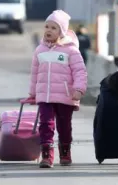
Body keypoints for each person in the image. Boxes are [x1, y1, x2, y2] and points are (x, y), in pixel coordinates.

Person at [29, 10, 87, 168]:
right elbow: (35, 72)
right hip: (45, 97)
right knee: (45, 124)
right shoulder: (39, 50)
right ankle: (47, 155)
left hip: (65, 96)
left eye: (53, 28)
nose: (48, 30)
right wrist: (33, 92)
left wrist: (79, 89)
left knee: (64, 125)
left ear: (61, 32)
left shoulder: (71, 50)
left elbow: (80, 71)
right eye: (46, 26)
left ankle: (65, 150)